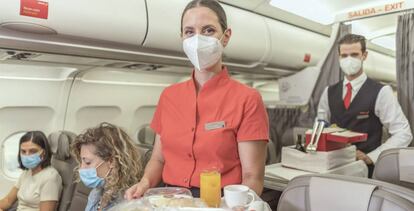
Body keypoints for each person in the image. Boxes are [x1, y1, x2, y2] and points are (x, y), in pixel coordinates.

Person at [125, 0, 269, 200]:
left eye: (208, 30)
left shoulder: (247, 99)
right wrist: (145, 183)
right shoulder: (169, 96)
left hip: (219, 201)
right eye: (189, 32)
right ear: (182, 38)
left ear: (225, 37)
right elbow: (158, 159)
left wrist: (236, 205)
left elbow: (252, 176)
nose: (198, 39)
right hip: (170, 199)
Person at [318, 33, 413, 177]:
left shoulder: (381, 92)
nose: (349, 60)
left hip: (366, 171)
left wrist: (372, 157)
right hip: (333, 169)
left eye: (354, 55)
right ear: (338, 57)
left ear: (364, 55)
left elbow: (403, 133)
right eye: (344, 56)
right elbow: (320, 127)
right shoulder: (328, 92)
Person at [71, 122, 143, 211]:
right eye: (81, 162)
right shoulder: (96, 193)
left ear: (112, 161)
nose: (81, 168)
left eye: (88, 162)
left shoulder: (129, 201)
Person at [0, 131, 62, 211]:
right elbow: (8, 201)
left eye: (32, 151)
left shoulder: (50, 178)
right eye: (23, 151)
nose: (27, 155)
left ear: (43, 153)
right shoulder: (27, 172)